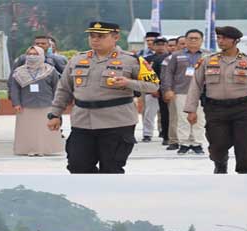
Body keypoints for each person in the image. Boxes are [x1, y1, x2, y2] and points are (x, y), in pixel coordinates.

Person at [48, 22, 160, 174]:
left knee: (111, 169)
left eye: (101, 36)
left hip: (117, 123)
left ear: (116, 37)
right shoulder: (77, 59)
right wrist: (55, 114)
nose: (95, 40)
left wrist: (129, 83)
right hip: (83, 122)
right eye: (92, 36)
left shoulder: (132, 60)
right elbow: (64, 89)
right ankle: (88, 196)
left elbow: (153, 86)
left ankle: (108, 197)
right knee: (77, 165)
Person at [184, 26, 247, 174]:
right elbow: (195, 85)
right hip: (215, 110)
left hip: (243, 109)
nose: (220, 41)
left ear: (236, 41)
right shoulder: (207, 61)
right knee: (217, 146)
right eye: (218, 38)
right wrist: (191, 110)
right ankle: (220, 164)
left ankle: (245, 174)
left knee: (244, 146)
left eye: (224, 38)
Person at [10, 46, 63, 156]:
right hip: (26, 105)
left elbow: (56, 88)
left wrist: (56, 104)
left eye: (35, 54)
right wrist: (16, 103)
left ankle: (43, 149)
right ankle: (30, 149)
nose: (32, 56)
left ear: (41, 55)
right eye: (30, 54)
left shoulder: (50, 70)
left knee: (44, 129)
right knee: (28, 129)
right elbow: (14, 89)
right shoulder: (19, 72)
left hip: (46, 104)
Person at [162, 29, 208, 155]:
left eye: (196, 38)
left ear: (202, 40)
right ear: (185, 40)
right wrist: (168, 89)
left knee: (200, 119)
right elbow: (168, 74)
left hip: (202, 93)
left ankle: (197, 143)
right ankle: (184, 143)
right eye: (190, 38)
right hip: (181, 91)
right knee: (183, 119)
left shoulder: (207, 55)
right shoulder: (176, 55)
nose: (193, 40)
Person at [144, 37, 169, 143]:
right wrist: (152, 89)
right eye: (158, 44)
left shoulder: (170, 57)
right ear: (153, 46)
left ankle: (165, 133)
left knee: (166, 113)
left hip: (166, 89)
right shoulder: (148, 59)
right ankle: (147, 133)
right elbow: (145, 74)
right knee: (149, 113)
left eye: (163, 44)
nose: (160, 46)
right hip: (152, 89)